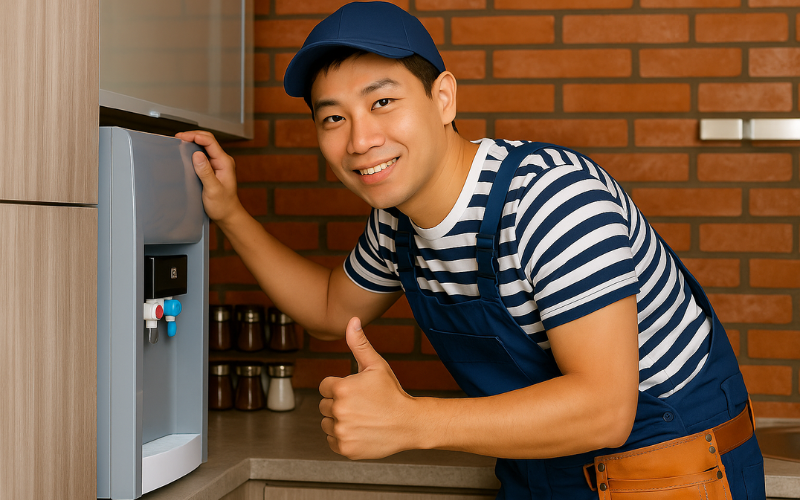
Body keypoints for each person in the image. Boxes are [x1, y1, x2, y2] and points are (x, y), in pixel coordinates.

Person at [177, 2, 765, 498]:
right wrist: (230, 213)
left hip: (671, 473)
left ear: (443, 99)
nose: (360, 140)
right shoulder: (396, 225)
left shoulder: (550, 198)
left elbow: (604, 410)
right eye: (333, 117)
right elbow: (332, 308)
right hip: (542, 475)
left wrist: (410, 421)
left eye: (382, 102)